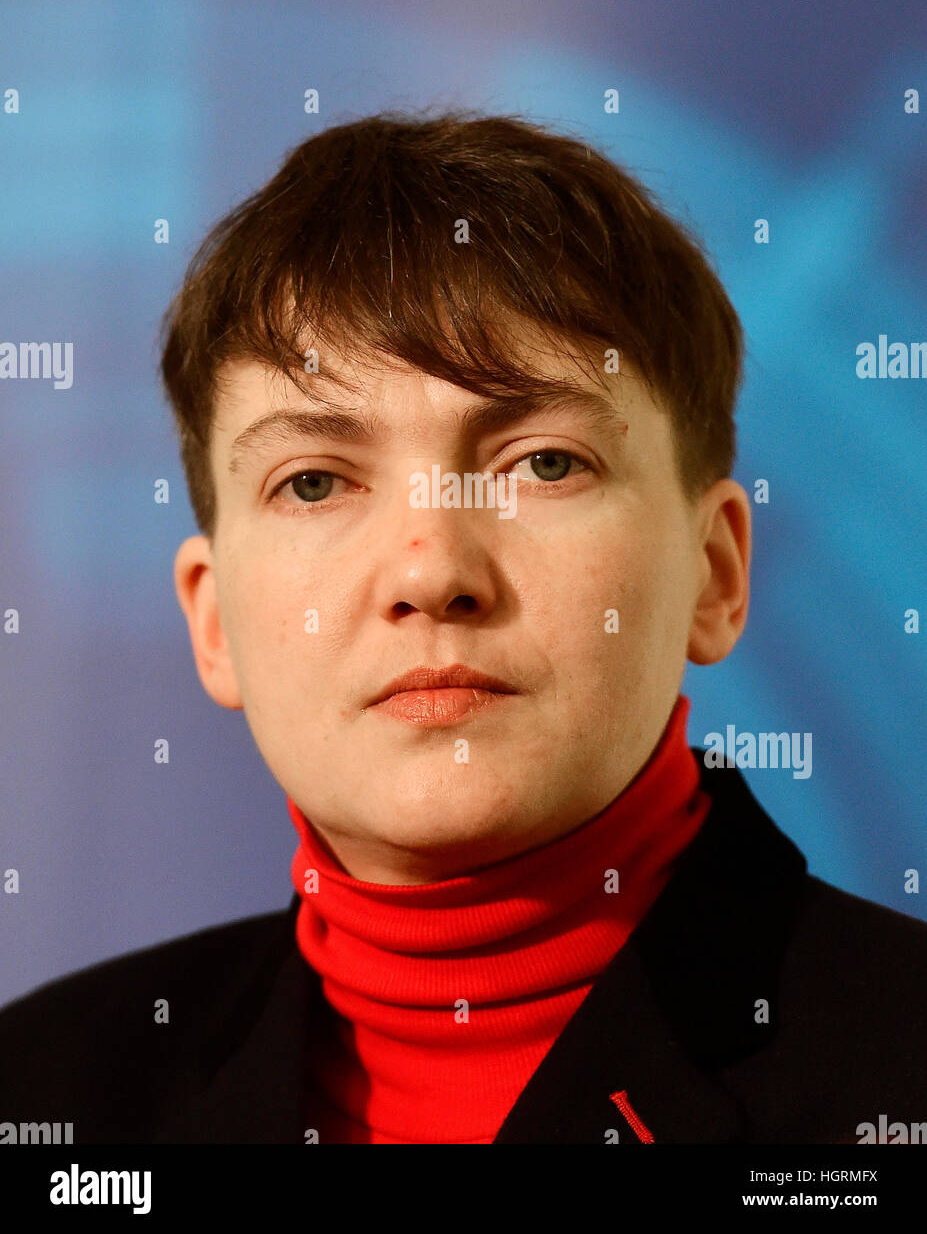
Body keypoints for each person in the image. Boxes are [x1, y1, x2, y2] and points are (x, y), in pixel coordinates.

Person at [1, 110, 925, 1145]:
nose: (432, 572)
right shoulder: (43, 1099)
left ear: (715, 574)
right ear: (212, 620)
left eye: (544, 463)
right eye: (314, 481)